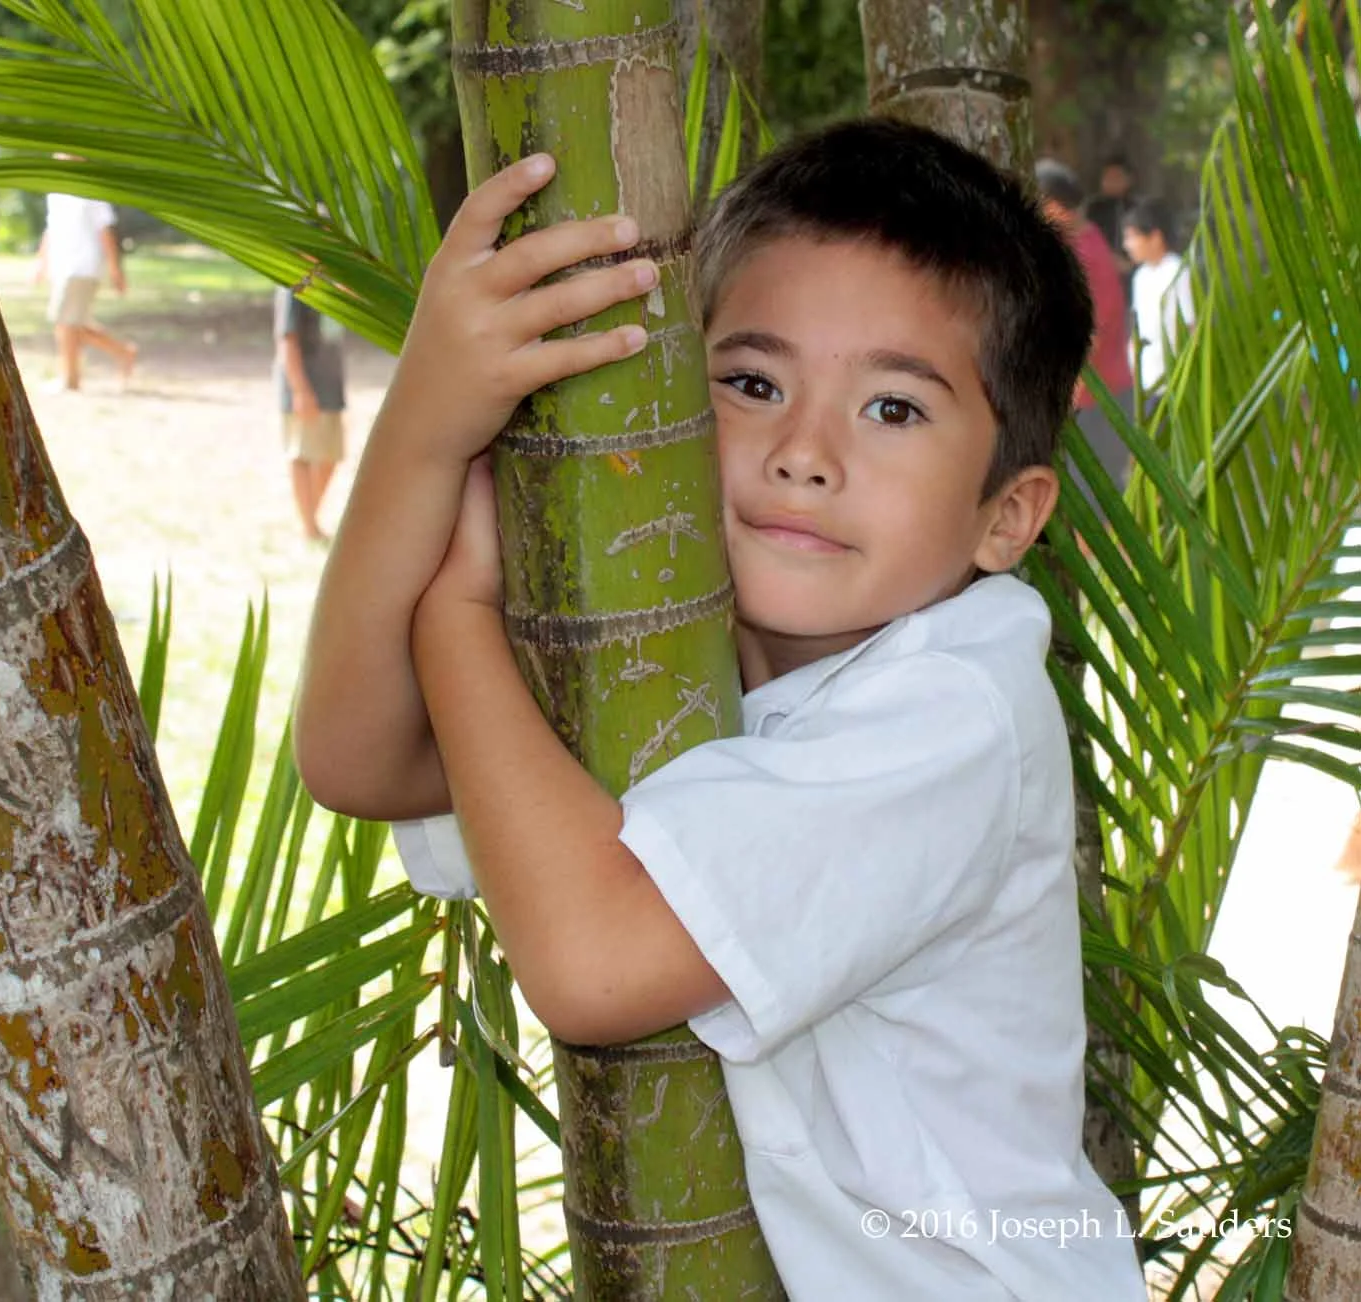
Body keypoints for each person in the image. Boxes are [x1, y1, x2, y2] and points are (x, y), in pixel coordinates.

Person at [294, 120, 1147, 1300]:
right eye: (751, 384)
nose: (803, 453)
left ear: (1006, 515)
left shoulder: (955, 707)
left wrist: (456, 610)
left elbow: (594, 965)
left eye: (892, 410)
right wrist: (424, 426)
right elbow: (358, 759)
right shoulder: (673, 660)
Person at [1035, 159, 1136, 498]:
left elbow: (1093, 331)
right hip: (1099, 392)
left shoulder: (1084, 250)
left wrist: (1067, 392)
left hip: (1097, 396)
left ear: (1051, 204)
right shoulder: (1086, 234)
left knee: (1094, 491)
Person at [35, 191, 137, 393]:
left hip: (83, 266)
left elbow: (105, 231)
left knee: (66, 323)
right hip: (62, 266)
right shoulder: (54, 192)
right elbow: (51, 229)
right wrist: (41, 261)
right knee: (71, 325)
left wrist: (115, 269)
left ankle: (70, 379)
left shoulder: (90, 191)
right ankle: (123, 352)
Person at [274, 286, 346, 542]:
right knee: (302, 453)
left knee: (330, 455)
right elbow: (287, 339)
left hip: (330, 385)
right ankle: (309, 527)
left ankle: (309, 520)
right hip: (305, 385)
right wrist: (300, 389)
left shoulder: (330, 279)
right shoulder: (292, 284)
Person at [1122, 196, 1196, 402]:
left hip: (1175, 380)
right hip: (1147, 380)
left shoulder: (1177, 271)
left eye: (1132, 237)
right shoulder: (1141, 276)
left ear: (1155, 237)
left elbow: (1192, 326)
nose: (1126, 245)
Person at [1084, 152, 1137, 291]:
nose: (1111, 182)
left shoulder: (1136, 208)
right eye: (1107, 178)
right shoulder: (1092, 209)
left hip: (1131, 275)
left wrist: (1129, 264)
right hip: (1099, 276)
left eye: (1117, 177)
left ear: (1129, 180)